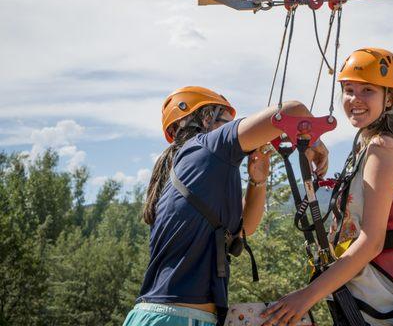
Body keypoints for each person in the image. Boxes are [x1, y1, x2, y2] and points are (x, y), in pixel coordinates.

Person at [122, 86, 328, 326]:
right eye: (228, 121)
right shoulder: (205, 147)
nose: (235, 127)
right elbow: (294, 110)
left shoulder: (193, 171)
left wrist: (257, 181)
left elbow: (245, 228)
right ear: (207, 119)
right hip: (180, 317)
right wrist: (315, 141)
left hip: (173, 315)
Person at [261, 48, 393, 326]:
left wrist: (306, 297)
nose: (355, 99)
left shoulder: (382, 147)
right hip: (366, 296)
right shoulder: (366, 145)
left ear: (389, 98)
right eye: (348, 90)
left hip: (379, 300)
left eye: (368, 90)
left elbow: (371, 242)